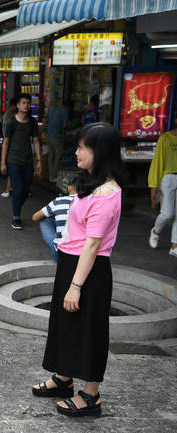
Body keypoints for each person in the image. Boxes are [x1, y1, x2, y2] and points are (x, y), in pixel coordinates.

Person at [32, 122, 126, 418]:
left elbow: (92, 245)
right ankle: (63, 378)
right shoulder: (90, 182)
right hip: (72, 262)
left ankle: (91, 394)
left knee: (90, 330)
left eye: (82, 147)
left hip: (90, 270)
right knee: (65, 324)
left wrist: (76, 286)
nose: (77, 152)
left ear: (98, 152)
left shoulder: (106, 195)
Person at [1, 93, 42, 230]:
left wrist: (39, 160)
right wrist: (2, 162)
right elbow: (5, 143)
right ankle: (16, 217)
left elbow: (36, 141)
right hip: (13, 160)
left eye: (28, 103)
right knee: (18, 189)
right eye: (23, 103)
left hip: (28, 160)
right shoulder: (11, 122)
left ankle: (17, 206)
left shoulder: (32, 122)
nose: (26, 105)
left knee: (25, 190)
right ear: (18, 105)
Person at [148, 115, 177, 258]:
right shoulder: (165, 138)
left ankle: (174, 246)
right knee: (168, 213)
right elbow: (158, 162)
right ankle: (156, 231)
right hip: (168, 178)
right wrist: (154, 185)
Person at [32, 174, 78, 262]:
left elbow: (35, 217)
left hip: (62, 253)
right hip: (84, 252)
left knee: (45, 220)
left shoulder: (58, 201)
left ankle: (56, 243)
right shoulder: (89, 201)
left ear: (69, 188)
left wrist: (55, 213)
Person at [47, 101, 72, 183]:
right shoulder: (64, 111)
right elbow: (65, 125)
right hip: (57, 136)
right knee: (58, 156)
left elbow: (47, 121)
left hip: (49, 135)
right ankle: (54, 176)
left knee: (51, 156)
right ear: (67, 107)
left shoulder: (52, 110)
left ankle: (50, 176)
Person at [1, 98, 18, 198]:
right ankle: (8, 189)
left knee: (12, 167)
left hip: (8, 143)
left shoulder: (8, 114)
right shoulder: (11, 116)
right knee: (12, 167)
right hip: (10, 143)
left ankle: (9, 189)